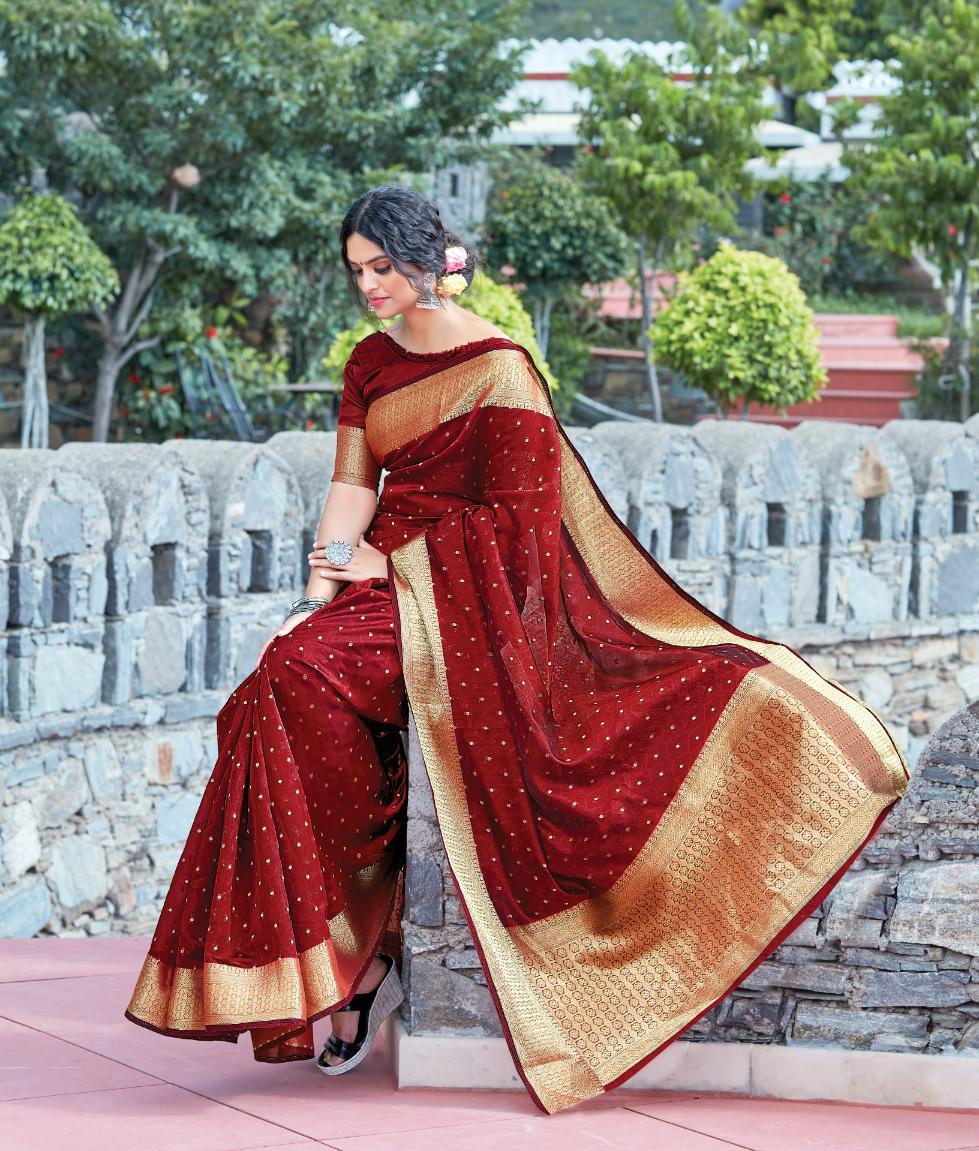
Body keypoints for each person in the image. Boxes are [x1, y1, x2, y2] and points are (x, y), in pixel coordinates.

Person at [126, 183, 910, 1114]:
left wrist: (399, 564)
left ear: (427, 260)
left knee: (298, 682)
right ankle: (352, 948)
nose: (370, 286)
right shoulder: (368, 365)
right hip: (383, 586)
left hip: (468, 602)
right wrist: (313, 594)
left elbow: (527, 531)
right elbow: (349, 487)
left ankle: (363, 955)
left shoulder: (498, 365)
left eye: (384, 267)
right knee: (271, 684)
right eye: (357, 271)